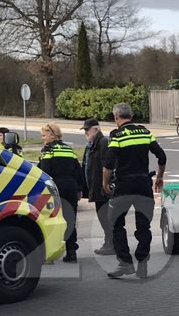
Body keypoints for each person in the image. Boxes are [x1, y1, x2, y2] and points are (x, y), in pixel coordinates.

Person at [102, 102, 166, 279]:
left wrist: (105, 183)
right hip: (144, 185)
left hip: (124, 186)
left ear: (116, 117)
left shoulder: (117, 135)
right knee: (144, 226)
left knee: (115, 223)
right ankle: (143, 264)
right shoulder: (145, 132)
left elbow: (108, 164)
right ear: (131, 115)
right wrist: (159, 177)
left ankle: (125, 263)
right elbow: (162, 156)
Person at [37, 122, 87, 263]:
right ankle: (71, 252)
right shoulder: (68, 150)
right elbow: (78, 171)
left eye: (44, 135)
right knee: (69, 220)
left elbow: (44, 172)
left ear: (52, 135)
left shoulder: (48, 150)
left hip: (55, 189)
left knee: (51, 220)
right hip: (70, 188)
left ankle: (50, 254)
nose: (42, 138)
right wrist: (79, 188)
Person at [81, 118, 113, 257]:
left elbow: (108, 165)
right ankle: (109, 242)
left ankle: (110, 243)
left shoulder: (103, 143)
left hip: (103, 187)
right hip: (96, 186)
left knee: (105, 216)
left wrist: (106, 183)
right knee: (103, 216)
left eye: (87, 130)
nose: (86, 133)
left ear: (96, 129)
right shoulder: (92, 144)